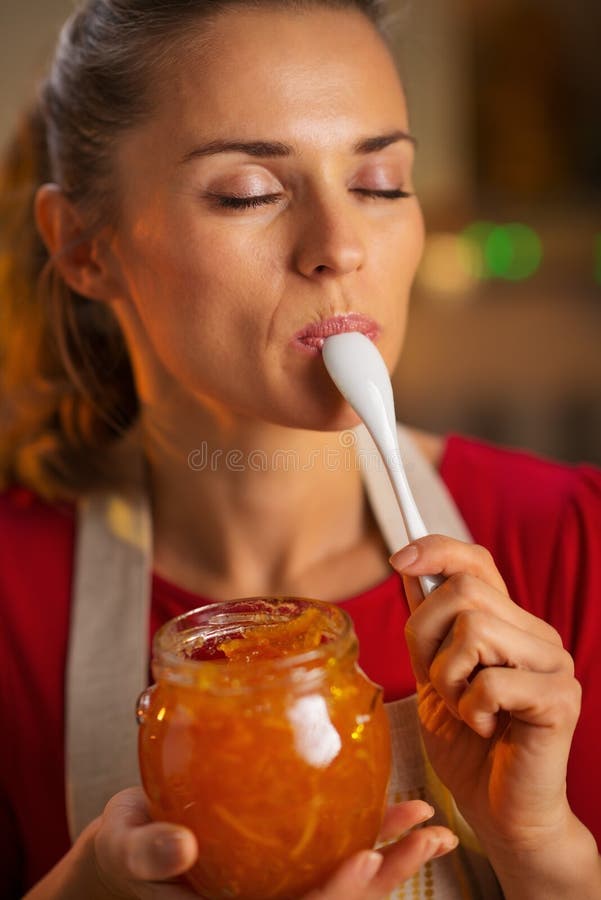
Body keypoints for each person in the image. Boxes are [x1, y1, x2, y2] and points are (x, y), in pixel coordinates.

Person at [0, 1, 599, 898]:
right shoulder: (13, 592)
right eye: (248, 192)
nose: (340, 245)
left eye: (380, 182)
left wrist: (545, 853)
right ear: (85, 247)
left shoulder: (570, 540)